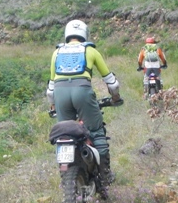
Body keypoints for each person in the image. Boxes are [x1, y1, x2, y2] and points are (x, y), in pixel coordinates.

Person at [46, 19, 122, 186]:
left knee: (64, 133)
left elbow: (50, 88)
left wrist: (52, 105)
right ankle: (105, 175)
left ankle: (65, 173)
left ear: (67, 34)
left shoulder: (56, 53)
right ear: (84, 34)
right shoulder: (90, 50)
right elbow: (111, 82)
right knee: (96, 131)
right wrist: (115, 97)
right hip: (83, 93)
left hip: (60, 95)